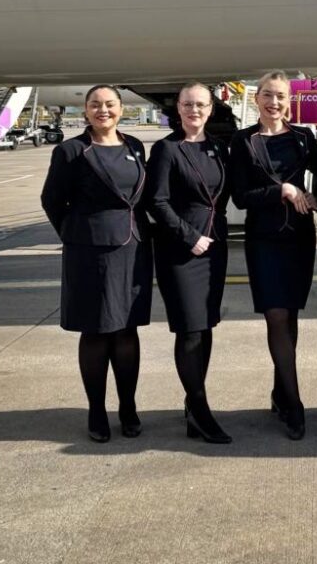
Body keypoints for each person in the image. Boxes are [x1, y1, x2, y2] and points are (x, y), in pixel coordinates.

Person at [40, 85, 151, 443]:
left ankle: (129, 407)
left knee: (126, 330)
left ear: (120, 108)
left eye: (110, 104)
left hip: (132, 249)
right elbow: (52, 200)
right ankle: (96, 410)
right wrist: (76, 234)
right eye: (95, 105)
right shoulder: (72, 151)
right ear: (85, 111)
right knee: (96, 331)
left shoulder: (135, 146)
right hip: (89, 252)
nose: (103, 111)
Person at [229, 71, 317, 440]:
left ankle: (281, 393)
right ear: (256, 99)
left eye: (281, 96)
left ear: (289, 100)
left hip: (299, 237)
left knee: (290, 316)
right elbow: (239, 197)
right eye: (267, 95)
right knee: (277, 315)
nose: (274, 102)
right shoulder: (242, 140)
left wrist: (316, 198)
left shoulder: (303, 137)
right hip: (264, 239)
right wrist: (279, 189)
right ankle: (294, 403)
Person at [146, 82, 231, 444]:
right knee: (190, 329)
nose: (194, 110)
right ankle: (199, 410)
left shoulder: (217, 147)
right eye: (187, 105)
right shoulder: (166, 149)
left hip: (215, 248)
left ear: (210, 110)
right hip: (181, 250)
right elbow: (157, 202)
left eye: (200, 105)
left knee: (206, 326)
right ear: (177, 110)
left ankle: (193, 400)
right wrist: (189, 236)